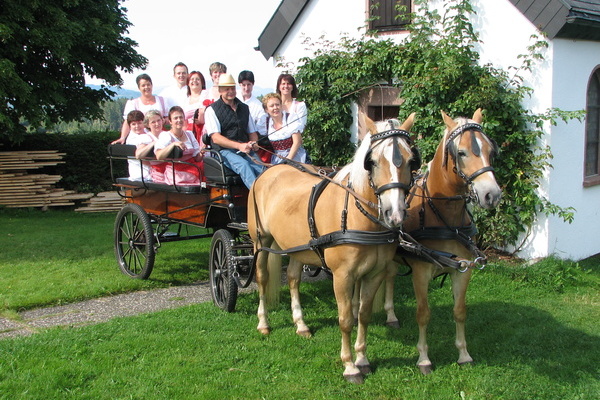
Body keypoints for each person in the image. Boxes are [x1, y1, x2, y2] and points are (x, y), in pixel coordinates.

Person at [204, 73, 264, 189]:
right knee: (244, 165)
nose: (230, 91)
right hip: (223, 151)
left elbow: (252, 132)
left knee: (262, 169)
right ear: (220, 90)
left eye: (232, 88)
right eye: (227, 89)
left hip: (244, 149)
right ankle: (256, 197)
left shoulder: (244, 108)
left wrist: (254, 143)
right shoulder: (211, 110)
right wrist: (239, 146)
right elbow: (216, 138)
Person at [113, 73, 168, 144]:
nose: (146, 87)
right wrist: (122, 137)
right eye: (143, 85)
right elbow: (127, 121)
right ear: (139, 88)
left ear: (152, 85)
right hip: (140, 136)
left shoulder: (162, 101)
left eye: (148, 84)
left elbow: (168, 119)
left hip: (159, 135)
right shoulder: (133, 103)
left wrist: (161, 121)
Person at [155, 106, 203, 185]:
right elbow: (159, 156)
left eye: (181, 117)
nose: (179, 120)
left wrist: (202, 152)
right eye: (175, 118)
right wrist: (173, 145)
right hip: (176, 175)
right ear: (170, 121)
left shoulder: (190, 134)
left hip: (192, 171)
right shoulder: (166, 136)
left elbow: (197, 158)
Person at [262, 93, 307, 165]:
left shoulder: (290, 117)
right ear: (266, 109)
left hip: (295, 156)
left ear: (281, 106)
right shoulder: (265, 122)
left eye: (277, 104)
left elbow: (297, 141)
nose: (275, 108)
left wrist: (288, 160)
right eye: (271, 106)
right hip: (277, 159)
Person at [124, 110, 151, 181]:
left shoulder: (147, 132)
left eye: (139, 123)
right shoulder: (132, 140)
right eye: (133, 124)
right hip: (140, 173)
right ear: (129, 126)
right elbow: (141, 159)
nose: (137, 126)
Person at [238, 70, 267, 136]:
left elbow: (261, 128)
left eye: (249, 85)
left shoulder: (258, 106)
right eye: (244, 85)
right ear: (239, 85)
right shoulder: (233, 98)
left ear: (253, 84)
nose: (246, 88)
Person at [182, 71, 209, 142]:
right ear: (188, 83)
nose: (194, 81)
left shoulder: (206, 95)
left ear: (202, 82)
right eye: (192, 79)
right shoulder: (185, 101)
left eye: (197, 79)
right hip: (190, 133)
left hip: (204, 131)